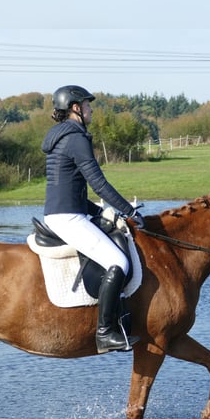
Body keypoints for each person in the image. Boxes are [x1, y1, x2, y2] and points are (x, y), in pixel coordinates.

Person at [41, 85, 144, 354]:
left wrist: (100, 212)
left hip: (66, 211)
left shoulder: (61, 136)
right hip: (67, 217)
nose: (91, 109)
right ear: (76, 108)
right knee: (118, 261)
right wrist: (129, 211)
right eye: (87, 105)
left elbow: (69, 188)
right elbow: (98, 183)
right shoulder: (76, 137)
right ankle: (105, 333)